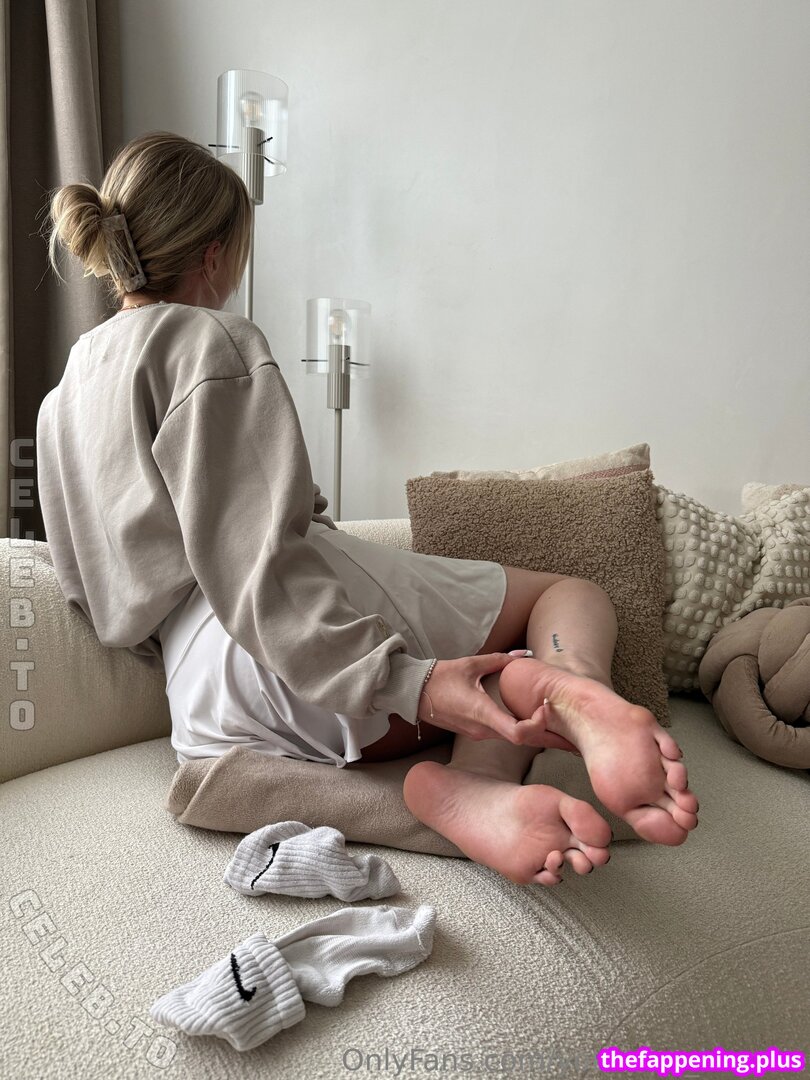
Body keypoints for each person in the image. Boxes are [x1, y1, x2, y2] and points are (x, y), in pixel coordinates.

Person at [38, 131, 698, 889]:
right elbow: (257, 559)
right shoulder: (208, 339)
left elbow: (89, 590)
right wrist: (406, 682)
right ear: (214, 254)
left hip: (205, 709)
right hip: (302, 639)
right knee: (568, 594)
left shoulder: (60, 402)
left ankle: (462, 790)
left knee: (480, 674)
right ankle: (572, 689)